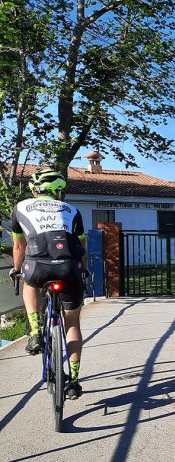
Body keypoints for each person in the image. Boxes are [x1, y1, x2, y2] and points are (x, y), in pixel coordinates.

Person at [9, 167, 88, 399]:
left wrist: (16, 269)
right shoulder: (73, 210)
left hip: (37, 267)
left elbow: (19, 248)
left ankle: (35, 331)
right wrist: (84, 269)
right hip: (70, 267)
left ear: (35, 189)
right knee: (72, 323)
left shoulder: (20, 207)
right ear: (59, 191)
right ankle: (73, 381)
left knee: (30, 284)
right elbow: (82, 248)